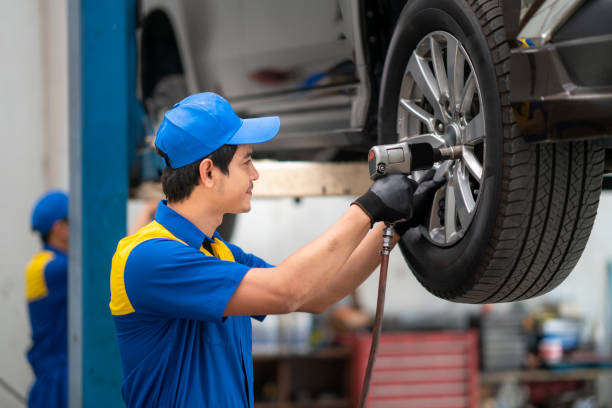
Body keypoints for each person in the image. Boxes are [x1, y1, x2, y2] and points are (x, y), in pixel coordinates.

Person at [109, 92, 442, 407]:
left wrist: (394, 224)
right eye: (247, 162)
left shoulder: (220, 255)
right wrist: (367, 207)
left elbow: (319, 294)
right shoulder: (148, 258)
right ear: (208, 171)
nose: (255, 174)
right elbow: (287, 292)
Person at [25, 190, 69, 408]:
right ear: (58, 227)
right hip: (58, 384)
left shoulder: (44, 262)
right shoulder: (52, 268)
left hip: (54, 377)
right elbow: (118, 264)